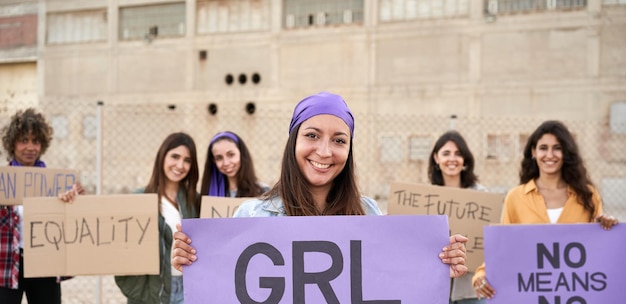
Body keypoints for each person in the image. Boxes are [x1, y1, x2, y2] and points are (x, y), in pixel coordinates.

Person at [172, 91, 468, 280]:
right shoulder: (251, 216)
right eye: (312, 135)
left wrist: (437, 263)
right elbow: (226, 290)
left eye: (339, 140)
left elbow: (391, 278)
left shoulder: (368, 212)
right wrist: (195, 261)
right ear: (294, 143)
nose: (325, 152)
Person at [473, 120, 619, 304]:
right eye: (543, 148)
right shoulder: (516, 197)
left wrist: (608, 228)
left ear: (567, 153)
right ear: (533, 153)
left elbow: (596, 250)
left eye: (557, 147)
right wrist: (481, 275)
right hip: (528, 303)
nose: (550, 154)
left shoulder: (588, 196)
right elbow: (507, 248)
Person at [0, 108, 84, 304]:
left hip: (44, 268)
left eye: (35, 140)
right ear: (13, 143)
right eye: (23, 140)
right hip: (6, 268)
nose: (30, 147)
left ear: (43, 144)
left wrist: (73, 202)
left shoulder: (57, 183)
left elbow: (73, 225)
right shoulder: (2, 181)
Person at [115, 132, 200, 304]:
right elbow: (116, 243)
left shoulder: (193, 201)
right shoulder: (140, 200)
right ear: (162, 157)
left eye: (187, 160)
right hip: (153, 295)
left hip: (186, 294)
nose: (180, 164)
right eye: (175, 156)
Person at [426, 131, 499, 304]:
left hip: (474, 288)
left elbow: (494, 243)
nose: (452, 159)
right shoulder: (424, 198)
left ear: (465, 160)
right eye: (446, 153)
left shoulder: (481, 197)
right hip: (437, 290)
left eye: (457, 153)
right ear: (436, 158)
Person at [200, 131, 269, 197]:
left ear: (241, 154)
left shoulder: (262, 191)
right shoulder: (207, 193)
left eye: (231, 155)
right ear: (213, 161)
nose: (226, 163)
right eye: (219, 158)